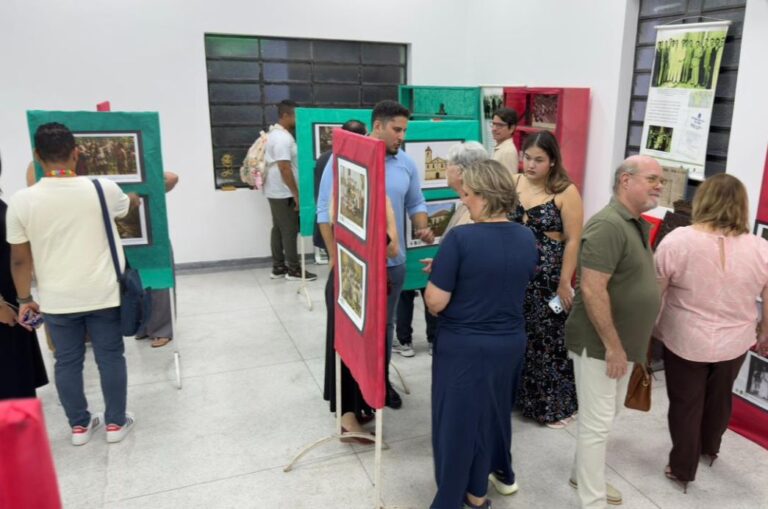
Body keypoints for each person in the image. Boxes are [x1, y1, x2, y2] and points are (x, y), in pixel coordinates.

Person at [7, 123, 138, 445]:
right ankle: (115, 424)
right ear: (76, 153)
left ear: (37, 156)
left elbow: (20, 260)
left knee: (66, 361)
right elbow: (128, 206)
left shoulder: (22, 200)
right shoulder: (103, 189)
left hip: (57, 298)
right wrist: (135, 198)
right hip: (103, 293)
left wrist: (24, 299)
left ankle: (79, 426)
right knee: (110, 357)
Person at [425, 159, 538, 509]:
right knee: (490, 419)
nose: (464, 200)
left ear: (485, 196)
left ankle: (450, 498)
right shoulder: (526, 236)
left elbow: (436, 302)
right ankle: (476, 493)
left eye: (468, 194)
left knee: (456, 425)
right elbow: (507, 278)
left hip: (464, 346)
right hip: (509, 343)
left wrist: (442, 273)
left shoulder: (460, 238)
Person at [653, 174, 768, 492]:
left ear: (703, 200)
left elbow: (655, 292)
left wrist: (647, 331)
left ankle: (682, 468)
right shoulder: (761, 248)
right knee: (720, 397)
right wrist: (765, 332)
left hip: (685, 336)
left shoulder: (678, 240)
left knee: (685, 403)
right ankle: (709, 448)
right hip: (736, 338)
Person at [317, 100, 433, 410]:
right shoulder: (345, 160)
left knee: (385, 326)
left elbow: (416, 202)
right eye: (397, 129)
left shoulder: (405, 163)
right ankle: (354, 393)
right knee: (354, 329)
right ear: (377, 126)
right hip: (354, 264)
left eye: (405, 130)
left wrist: (422, 226)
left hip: (392, 264)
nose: (402, 137)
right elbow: (325, 211)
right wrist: (334, 258)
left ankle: (380, 381)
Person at [565, 155, 664, 508]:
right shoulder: (608, 225)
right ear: (626, 180)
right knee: (597, 424)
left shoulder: (633, 223)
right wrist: (613, 346)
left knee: (604, 418)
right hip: (601, 346)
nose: (659, 186)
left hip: (620, 344)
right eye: (652, 179)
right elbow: (592, 289)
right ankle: (591, 499)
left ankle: (582, 474)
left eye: (660, 180)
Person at [511, 131, 583, 428]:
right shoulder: (514, 182)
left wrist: (565, 282)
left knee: (547, 338)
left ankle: (553, 404)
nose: (531, 164)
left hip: (548, 277)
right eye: (527, 157)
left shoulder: (565, 191)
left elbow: (574, 240)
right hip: (515, 273)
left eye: (538, 160)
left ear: (552, 161)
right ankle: (520, 397)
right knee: (519, 335)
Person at [0, 153, 48, 400]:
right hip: (3, 308)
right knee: (11, 381)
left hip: (11, 299)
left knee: (17, 377)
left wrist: (23, 298)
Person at [264, 99, 316, 281]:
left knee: (279, 228)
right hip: (283, 191)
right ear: (285, 115)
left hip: (276, 190)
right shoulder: (282, 138)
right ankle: (293, 270)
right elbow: (284, 167)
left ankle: (279, 267)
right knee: (289, 229)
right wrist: (296, 193)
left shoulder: (277, 134)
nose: (298, 119)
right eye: (296, 115)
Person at [134, 171, 179, 348]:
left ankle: (162, 329)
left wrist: (150, 171)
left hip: (152, 229)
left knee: (159, 280)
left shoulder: (145, 172)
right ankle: (143, 325)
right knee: (134, 282)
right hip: (125, 232)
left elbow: (172, 178)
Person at [312, 120, 367, 265]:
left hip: (339, 228)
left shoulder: (324, 157)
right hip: (335, 229)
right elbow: (323, 205)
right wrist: (332, 254)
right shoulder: (332, 160)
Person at [490, 108, 519, 174]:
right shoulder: (501, 147)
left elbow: (509, 178)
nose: (494, 129)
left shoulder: (508, 152)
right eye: (493, 124)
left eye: (499, 125)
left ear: (511, 128)